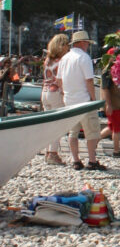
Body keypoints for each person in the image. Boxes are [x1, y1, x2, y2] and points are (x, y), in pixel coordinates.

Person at [57, 30, 106, 171]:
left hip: (69, 100)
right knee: (92, 132)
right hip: (84, 100)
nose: (87, 45)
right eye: (87, 43)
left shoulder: (65, 58)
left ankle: (76, 160)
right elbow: (89, 80)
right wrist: (93, 98)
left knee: (73, 132)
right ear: (83, 43)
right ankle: (92, 160)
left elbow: (59, 80)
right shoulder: (84, 58)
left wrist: (65, 93)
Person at [41, 33, 70, 164]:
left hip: (45, 92)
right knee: (57, 125)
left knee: (48, 124)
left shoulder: (48, 59)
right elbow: (60, 80)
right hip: (56, 93)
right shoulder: (62, 61)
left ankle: (48, 152)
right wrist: (65, 93)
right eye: (66, 44)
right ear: (62, 46)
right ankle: (53, 153)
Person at [99, 67, 120, 157]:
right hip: (113, 104)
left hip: (115, 103)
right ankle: (116, 151)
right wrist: (109, 104)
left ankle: (94, 141)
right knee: (117, 127)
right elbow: (105, 89)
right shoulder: (107, 72)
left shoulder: (111, 70)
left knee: (111, 127)